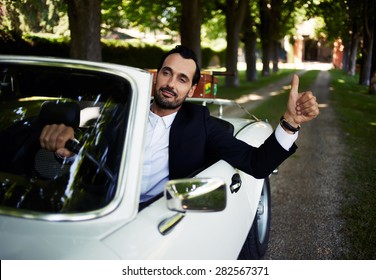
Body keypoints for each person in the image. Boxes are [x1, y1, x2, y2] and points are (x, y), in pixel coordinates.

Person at [40, 45, 319, 204]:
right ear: (156, 75)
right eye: (167, 73)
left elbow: (257, 164)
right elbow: (76, 159)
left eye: (182, 79)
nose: (171, 84)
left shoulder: (200, 123)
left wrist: (290, 124)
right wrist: (61, 147)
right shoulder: (119, 114)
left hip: (157, 215)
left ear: (193, 89)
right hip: (100, 207)